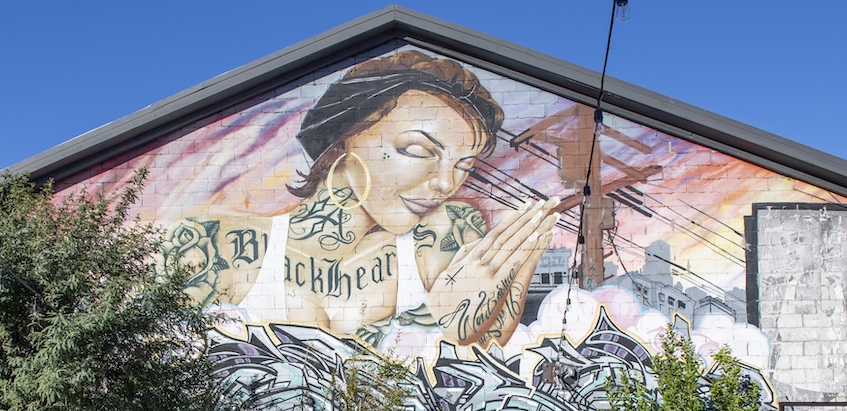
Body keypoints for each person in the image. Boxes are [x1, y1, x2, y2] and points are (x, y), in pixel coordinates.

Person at [165, 50, 560, 348]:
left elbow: (479, 363)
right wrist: (431, 317)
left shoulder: (445, 232)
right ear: (349, 134)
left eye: (464, 166)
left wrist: (520, 269)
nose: (446, 184)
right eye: (419, 151)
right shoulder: (215, 243)